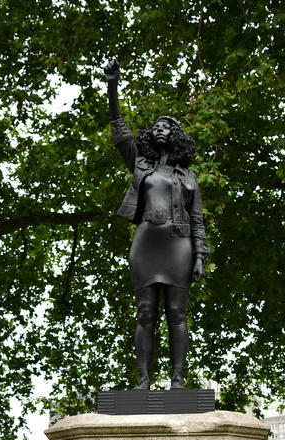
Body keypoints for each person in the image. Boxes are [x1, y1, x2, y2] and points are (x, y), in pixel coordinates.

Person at [103, 58, 210, 390]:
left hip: (179, 245)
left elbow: (197, 220)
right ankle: (143, 381)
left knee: (177, 314)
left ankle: (178, 380)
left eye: (168, 126)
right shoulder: (141, 164)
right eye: (157, 126)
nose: (161, 128)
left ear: (176, 137)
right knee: (145, 313)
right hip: (146, 243)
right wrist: (112, 85)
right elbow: (119, 129)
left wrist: (200, 256)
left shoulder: (189, 177)